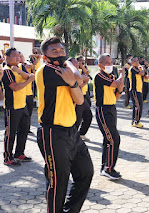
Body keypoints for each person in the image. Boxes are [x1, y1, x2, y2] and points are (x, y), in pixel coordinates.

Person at [35, 37, 93, 212]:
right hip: (52, 133)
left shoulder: (64, 70)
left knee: (85, 173)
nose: (59, 53)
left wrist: (73, 80)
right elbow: (81, 79)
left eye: (61, 50)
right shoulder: (47, 70)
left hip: (71, 132)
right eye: (54, 51)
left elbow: (80, 98)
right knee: (57, 183)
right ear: (45, 56)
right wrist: (72, 71)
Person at [2, 47, 35, 166]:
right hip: (13, 107)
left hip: (23, 105)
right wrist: (27, 81)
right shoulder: (7, 71)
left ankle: (19, 153)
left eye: (18, 55)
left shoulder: (20, 67)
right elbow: (15, 87)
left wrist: (21, 72)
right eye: (15, 56)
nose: (18, 58)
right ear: (7, 57)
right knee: (10, 133)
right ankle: (7, 157)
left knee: (24, 130)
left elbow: (31, 76)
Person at [94, 53, 124, 180]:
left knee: (108, 139)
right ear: (100, 65)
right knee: (114, 139)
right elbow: (117, 84)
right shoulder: (99, 75)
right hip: (103, 110)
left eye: (111, 62)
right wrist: (122, 75)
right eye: (107, 62)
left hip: (111, 108)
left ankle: (105, 167)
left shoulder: (110, 76)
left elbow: (117, 94)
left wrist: (120, 85)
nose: (110, 64)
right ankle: (109, 168)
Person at [68, 57, 93, 142]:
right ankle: (72, 137)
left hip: (83, 96)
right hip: (76, 98)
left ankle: (81, 133)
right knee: (77, 118)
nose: (78, 64)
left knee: (88, 116)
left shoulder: (78, 71)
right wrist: (85, 82)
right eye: (76, 62)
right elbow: (76, 87)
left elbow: (87, 74)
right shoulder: (71, 73)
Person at [18, 52, 35, 134]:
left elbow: (31, 66)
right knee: (23, 114)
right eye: (20, 56)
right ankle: (20, 129)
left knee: (29, 113)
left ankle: (27, 128)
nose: (22, 58)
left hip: (29, 93)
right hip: (22, 94)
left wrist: (26, 63)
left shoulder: (25, 65)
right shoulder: (18, 67)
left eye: (22, 56)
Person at [129, 57, 145, 128]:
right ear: (132, 62)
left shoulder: (138, 68)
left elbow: (144, 75)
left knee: (137, 106)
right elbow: (142, 73)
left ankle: (134, 120)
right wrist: (142, 67)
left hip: (139, 90)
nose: (136, 62)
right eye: (134, 61)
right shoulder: (133, 68)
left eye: (137, 61)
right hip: (134, 90)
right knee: (138, 106)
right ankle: (136, 121)